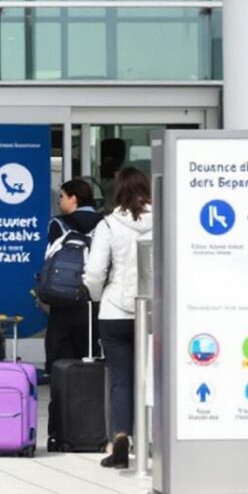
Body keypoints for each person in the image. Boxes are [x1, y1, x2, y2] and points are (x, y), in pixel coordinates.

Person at [83, 167, 151, 469]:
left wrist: (98, 298)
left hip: (114, 312)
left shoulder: (108, 225)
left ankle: (122, 435)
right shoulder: (165, 222)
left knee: (121, 380)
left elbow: (95, 271)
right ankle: (154, 439)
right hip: (153, 312)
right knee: (154, 377)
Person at [41, 178, 102, 367]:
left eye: (62, 197)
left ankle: (62, 392)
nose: (59, 201)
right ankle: (88, 393)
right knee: (90, 348)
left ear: (73, 199)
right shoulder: (105, 223)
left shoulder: (58, 224)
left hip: (63, 296)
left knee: (60, 351)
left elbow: (49, 257)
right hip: (92, 297)